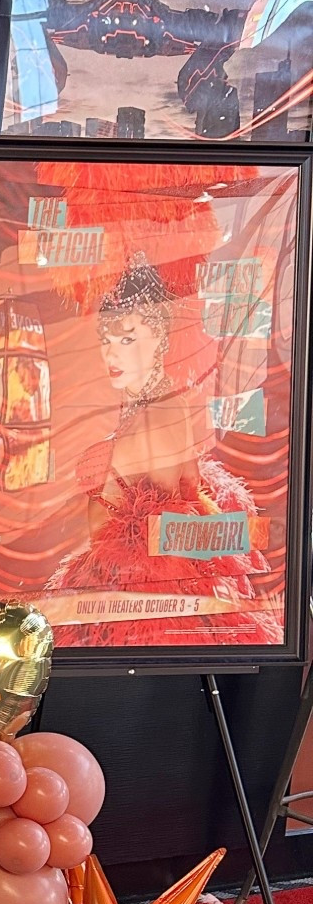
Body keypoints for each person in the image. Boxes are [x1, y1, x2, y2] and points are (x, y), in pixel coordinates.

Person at [47, 255, 281, 646]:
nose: (111, 354)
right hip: (116, 591)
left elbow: (170, 529)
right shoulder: (155, 406)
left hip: (138, 606)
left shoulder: (160, 412)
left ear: (159, 338)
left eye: (127, 338)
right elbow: (188, 494)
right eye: (106, 340)